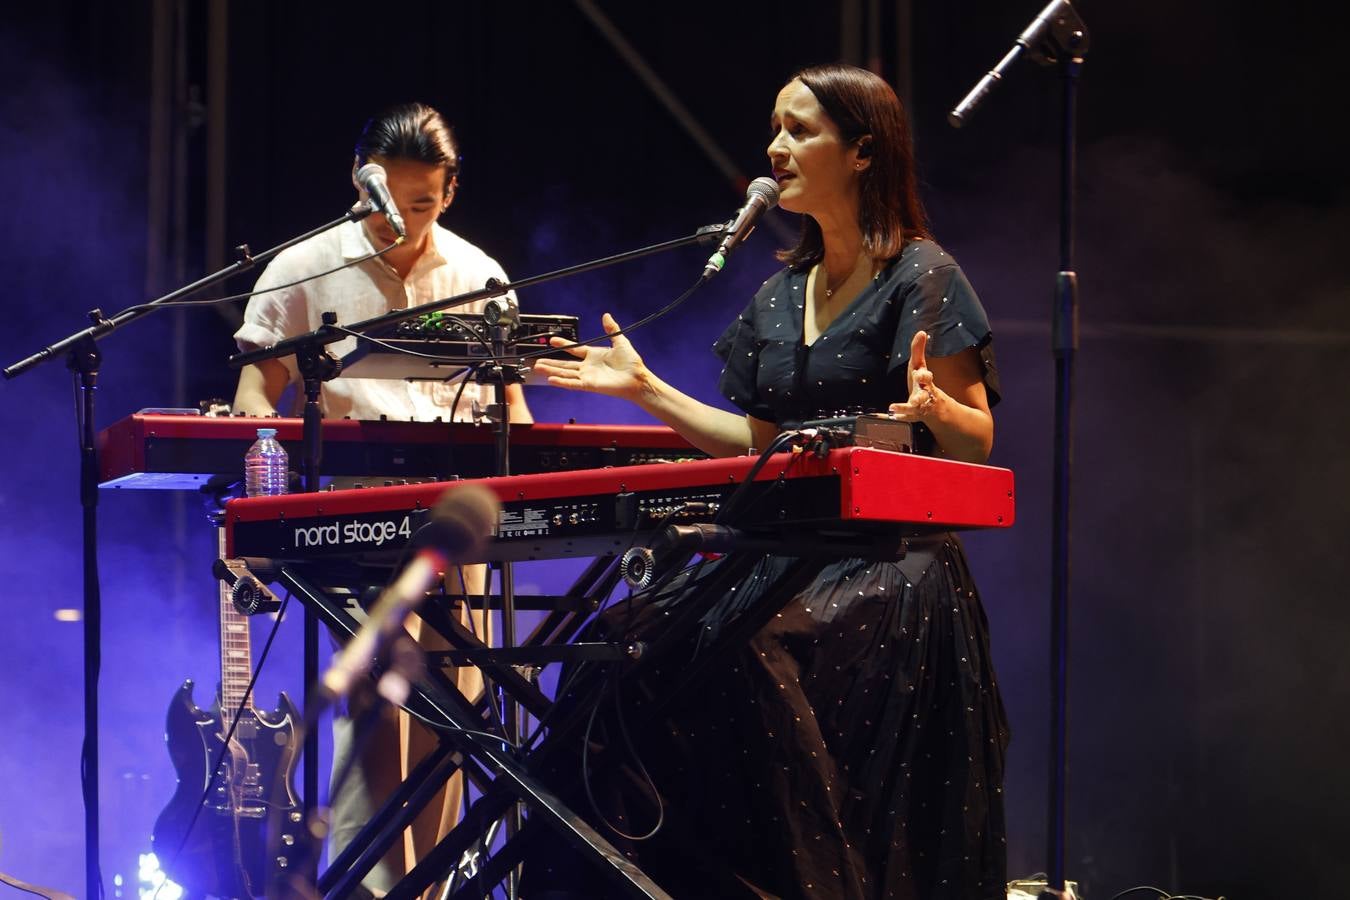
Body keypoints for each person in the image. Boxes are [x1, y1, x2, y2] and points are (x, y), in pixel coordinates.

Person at [529, 64, 1009, 899]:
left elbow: (977, 441)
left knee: (746, 652)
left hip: (888, 564)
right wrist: (647, 393)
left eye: (798, 130)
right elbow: (761, 441)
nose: (774, 148)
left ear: (863, 151)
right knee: (615, 649)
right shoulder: (784, 292)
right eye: (774, 129)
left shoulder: (923, 274)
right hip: (784, 554)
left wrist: (936, 408)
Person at [232, 101, 531, 896]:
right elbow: (254, 395)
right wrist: (261, 480)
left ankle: (426, 890)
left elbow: (517, 419)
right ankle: (364, 887)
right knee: (371, 715)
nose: (404, 222)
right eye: (388, 203)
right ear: (361, 185)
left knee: (451, 726)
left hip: (454, 524)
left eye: (424, 204)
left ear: (451, 191)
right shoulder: (306, 267)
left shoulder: (478, 276)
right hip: (349, 516)